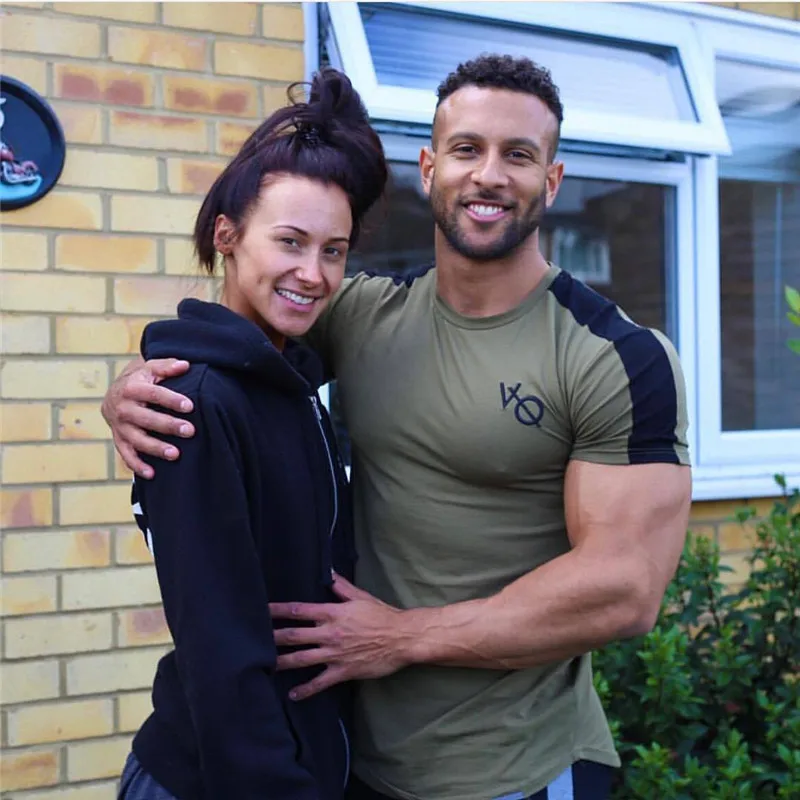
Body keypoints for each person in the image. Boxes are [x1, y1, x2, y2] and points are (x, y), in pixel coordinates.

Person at [105, 55, 691, 800]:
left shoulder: (617, 355)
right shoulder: (361, 314)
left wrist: (401, 637)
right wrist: (134, 387)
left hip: (510, 768)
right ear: (429, 167)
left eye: (518, 155)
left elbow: (624, 589)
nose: (488, 175)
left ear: (551, 180)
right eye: (467, 148)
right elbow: (236, 346)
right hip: (349, 757)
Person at [115, 68, 388, 800]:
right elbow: (221, 650)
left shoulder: (290, 388)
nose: (313, 273)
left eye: (334, 250)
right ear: (227, 235)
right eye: (290, 241)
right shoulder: (196, 405)